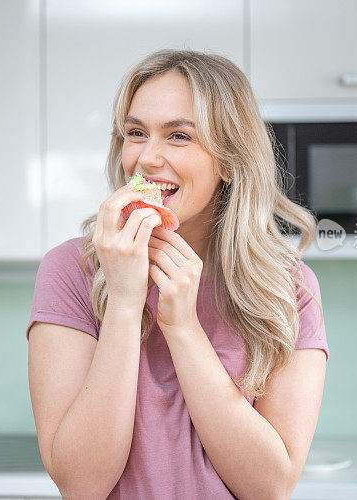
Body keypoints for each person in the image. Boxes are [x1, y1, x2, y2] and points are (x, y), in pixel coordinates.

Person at [26, 49, 329, 499]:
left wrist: (183, 326)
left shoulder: (287, 286)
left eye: (178, 136)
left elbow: (268, 487)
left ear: (228, 160)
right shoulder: (71, 270)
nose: (147, 158)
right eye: (135, 133)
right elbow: (81, 485)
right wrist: (126, 304)